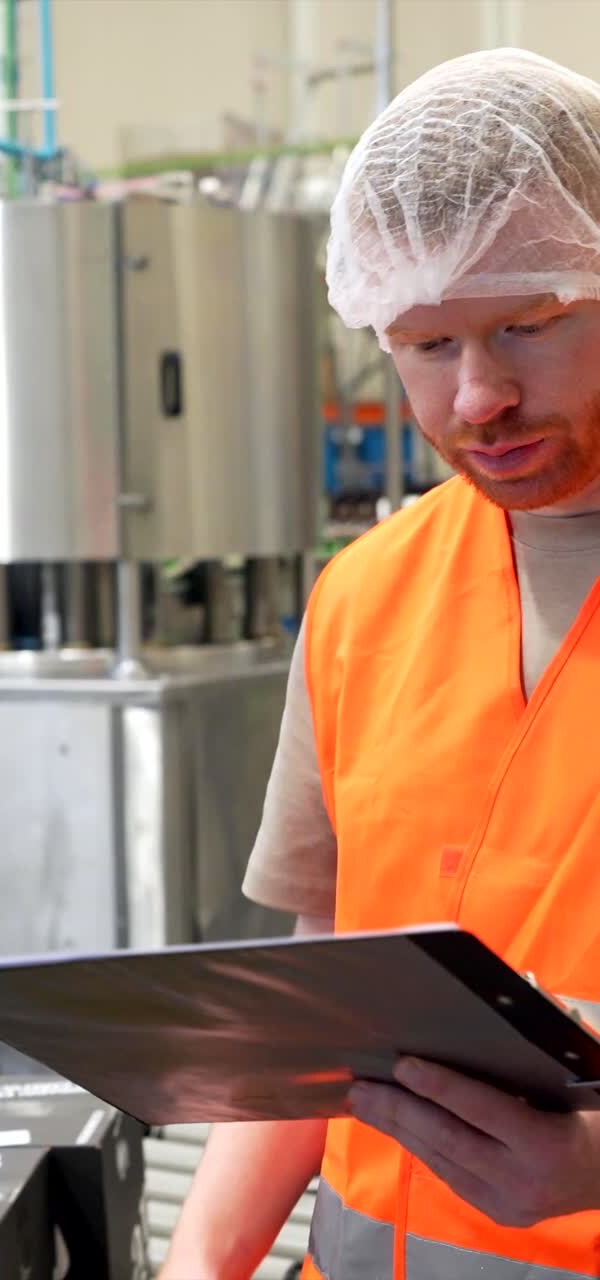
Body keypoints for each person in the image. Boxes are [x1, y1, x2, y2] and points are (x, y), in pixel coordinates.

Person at [160, 48, 600, 1280]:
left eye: (530, 325)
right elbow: (323, 999)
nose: (478, 398)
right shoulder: (366, 596)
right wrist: (202, 1262)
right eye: (424, 343)